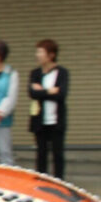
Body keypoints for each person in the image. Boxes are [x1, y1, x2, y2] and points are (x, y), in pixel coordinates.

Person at [28, 39, 70, 178]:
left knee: (58, 153)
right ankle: (41, 181)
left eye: (40, 52)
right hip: (40, 120)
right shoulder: (35, 73)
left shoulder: (62, 73)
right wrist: (50, 91)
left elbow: (61, 94)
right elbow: (32, 93)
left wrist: (42, 91)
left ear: (51, 55)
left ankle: (59, 182)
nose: (37, 55)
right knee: (41, 153)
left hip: (56, 120)